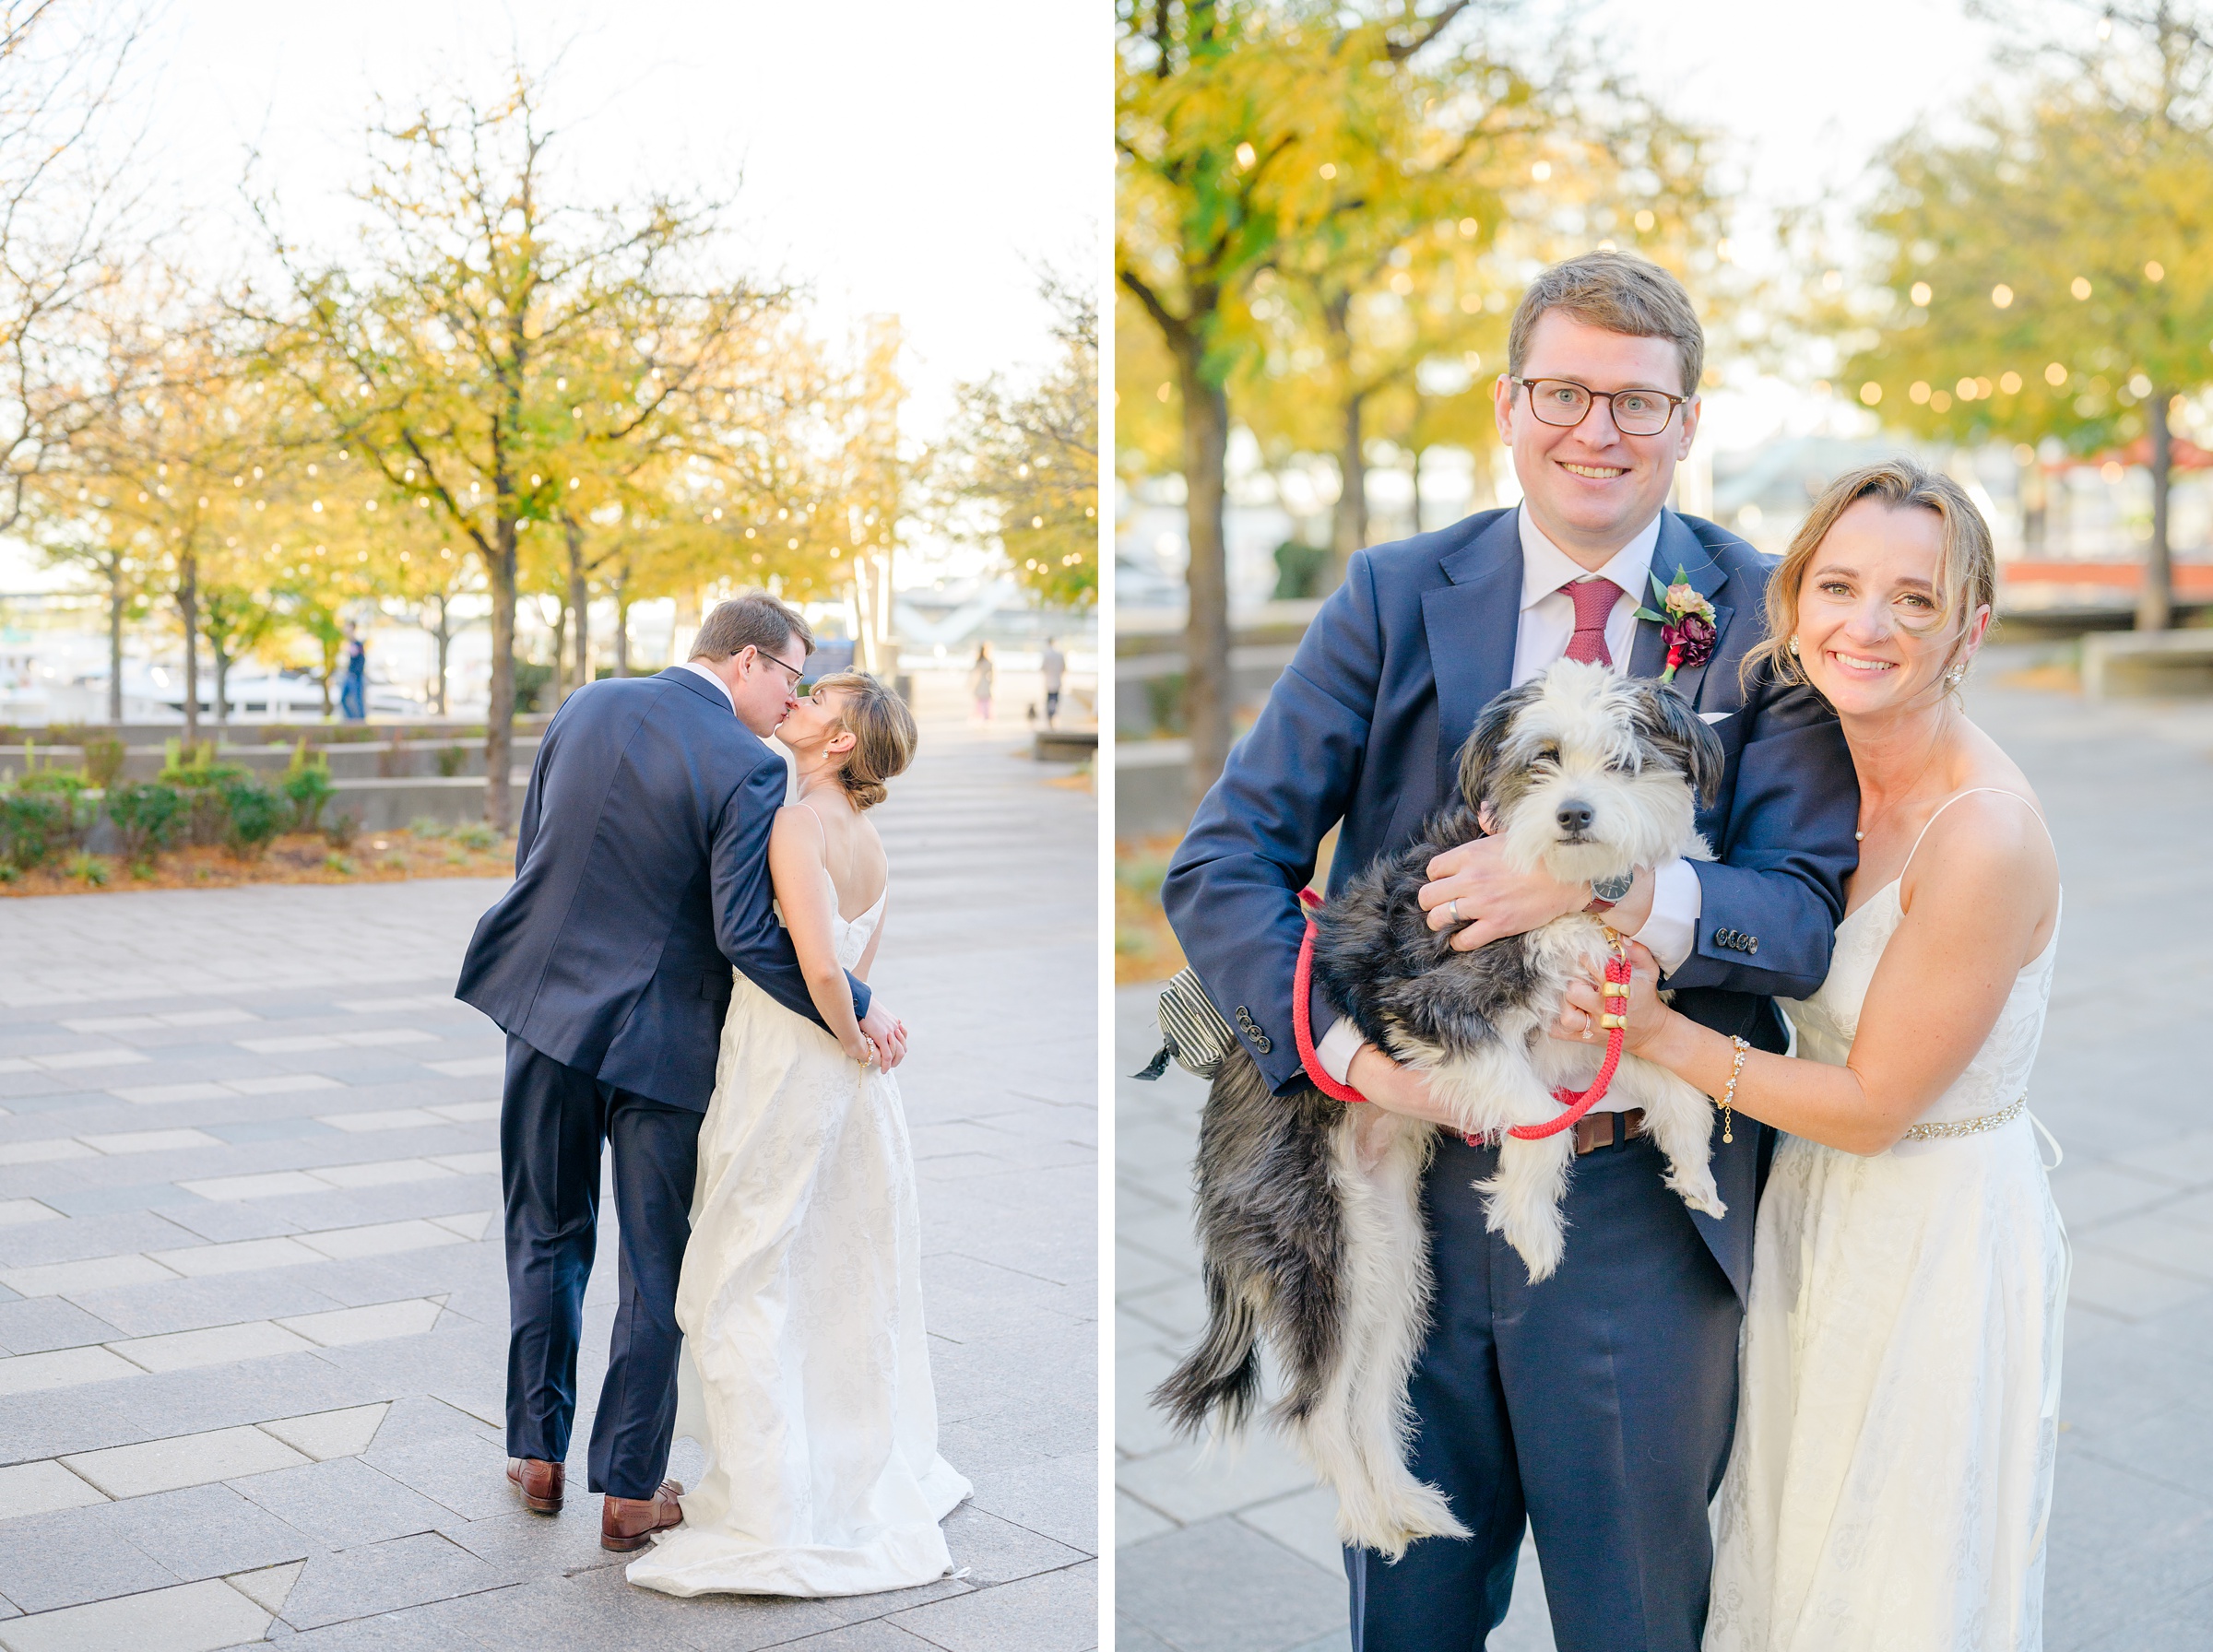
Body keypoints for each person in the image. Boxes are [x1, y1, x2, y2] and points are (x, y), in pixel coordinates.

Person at [1162, 250, 1860, 1652]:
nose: (1596, 430)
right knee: (1409, 1610)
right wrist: (1356, 1063)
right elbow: (1219, 864)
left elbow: (1798, 909)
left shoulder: (1764, 617)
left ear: (1688, 422)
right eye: (1564, 392)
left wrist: (1597, 894)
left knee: (1637, 1618)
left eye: (1637, 403)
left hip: (1639, 1214)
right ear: (1507, 403)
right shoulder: (1392, 591)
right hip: (1400, 1183)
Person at [1589, 462, 2065, 1650]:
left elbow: (1872, 1106)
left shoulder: (1984, 833)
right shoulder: (1814, 773)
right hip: (1809, 1210)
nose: (1868, 623)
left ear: (1972, 627)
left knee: (1888, 1586)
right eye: (1840, 585)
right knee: (1791, 1557)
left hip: (1929, 1232)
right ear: (1792, 601)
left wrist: (1657, 1035)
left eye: (1915, 598)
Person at [456, 593, 908, 1555]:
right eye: (792, 673)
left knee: (543, 1230)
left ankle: (535, 1454)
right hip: (663, 1042)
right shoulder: (747, 768)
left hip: (541, 1010)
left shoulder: (586, 704)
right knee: (656, 1262)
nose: (791, 697)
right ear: (746, 661)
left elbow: (539, 843)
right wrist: (858, 1008)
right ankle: (627, 1489)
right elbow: (746, 931)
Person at [626, 670, 970, 1598]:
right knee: (839, 1272)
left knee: (743, 1269)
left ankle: (773, 1500)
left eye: (818, 699)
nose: (801, 703)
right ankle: (839, 1462)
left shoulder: (799, 822)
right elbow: (862, 958)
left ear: (840, 742)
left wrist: (852, 1028)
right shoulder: (869, 840)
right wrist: (862, 1042)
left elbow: (821, 966)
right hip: (850, 1083)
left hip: (787, 1060)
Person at [338, 623, 367, 721]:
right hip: (349, 675)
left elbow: (362, 660)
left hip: (356, 676)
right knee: (343, 699)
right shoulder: (348, 644)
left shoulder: (358, 644)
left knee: (358, 701)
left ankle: (361, 722)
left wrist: (355, 673)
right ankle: (352, 720)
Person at [1041, 636, 1067, 726]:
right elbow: (1064, 668)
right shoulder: (1060, 654)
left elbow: (1043, 668)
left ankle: (1050, 715)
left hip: (1049, 681)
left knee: (1050, 699)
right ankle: (1054, 714)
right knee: (1055, 699)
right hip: (1057, 680)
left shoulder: (1046, 655)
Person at [969, 640, 994, 720]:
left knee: (980, 703)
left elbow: (973, 672)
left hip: (980, 683)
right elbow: (992, 674)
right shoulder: (988, 662)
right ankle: (986, 716)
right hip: (985, 683)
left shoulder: (979, 661)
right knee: (986, 702)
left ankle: (980, 716)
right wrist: (990, 682)